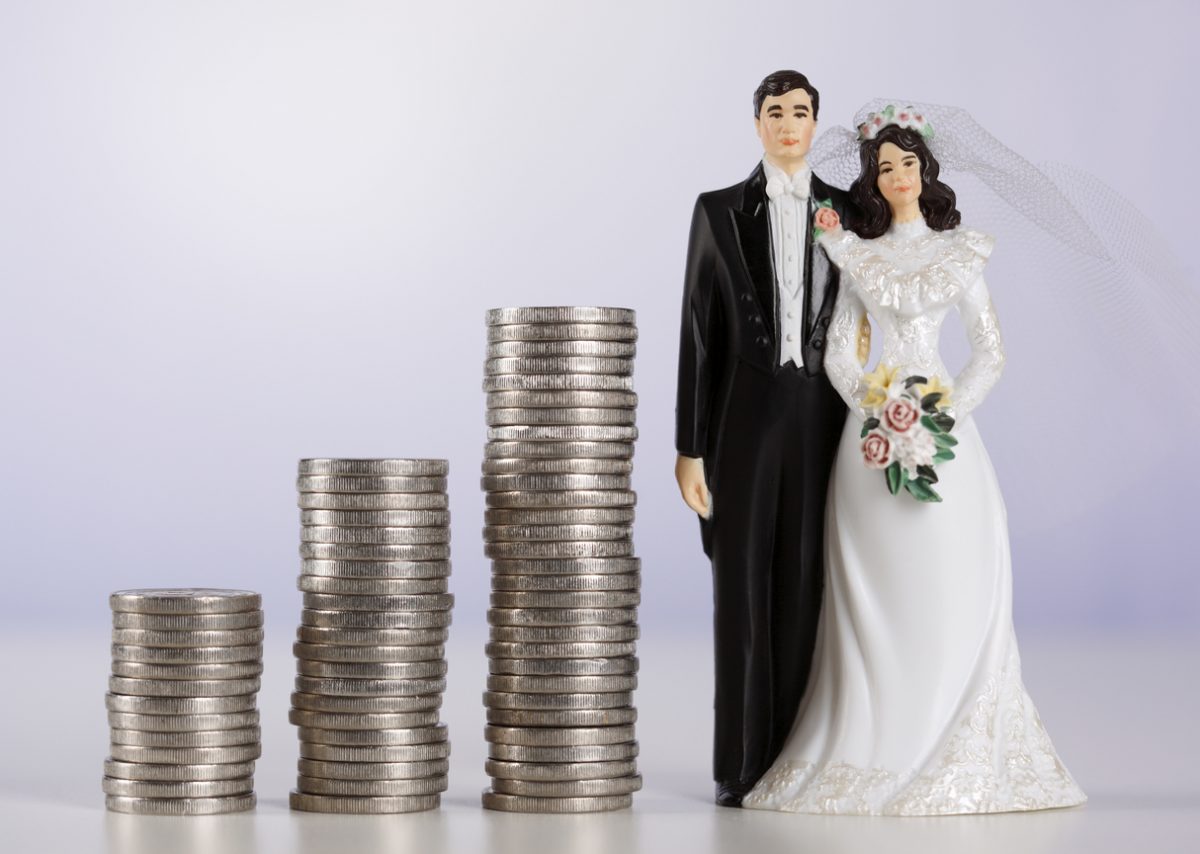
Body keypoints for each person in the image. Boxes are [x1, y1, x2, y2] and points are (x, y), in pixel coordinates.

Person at [742, 112, 1087, 815]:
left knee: (948, 576)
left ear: (927, 173)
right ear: (873, 180)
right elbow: (842, 349)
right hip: (872, 443)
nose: (898, 177)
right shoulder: (857, 255)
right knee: (879, 587)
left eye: (908, 164)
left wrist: (943, 412)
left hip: (943, 438)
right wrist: (875, 408)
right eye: (885, 168)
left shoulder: (962, 253)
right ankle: (875, 741)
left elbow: (990, 350)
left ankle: (951, 733)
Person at [674, 70, 864, 807]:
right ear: (756, 123)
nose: (789, 124)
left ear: (818, 125)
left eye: (802, 112)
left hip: (824, 412)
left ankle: (796, 758)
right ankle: (740, 763)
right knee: (740, 583)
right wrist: (690, 445)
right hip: (743, 415)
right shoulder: (718, 211)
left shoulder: (850, 212)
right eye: (776, 112)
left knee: (807, 580)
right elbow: (698, 331)